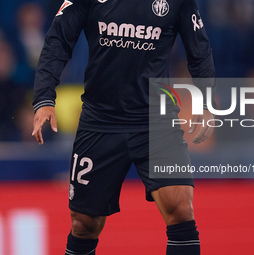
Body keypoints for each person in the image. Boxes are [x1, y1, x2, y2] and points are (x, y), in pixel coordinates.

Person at [32, 0, 216, 254]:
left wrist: (206, 102)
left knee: (181, 209)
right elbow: (58, 40)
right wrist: (44, 98)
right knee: (84, 224)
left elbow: (200, 50)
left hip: (156, 120)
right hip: (100, 121)